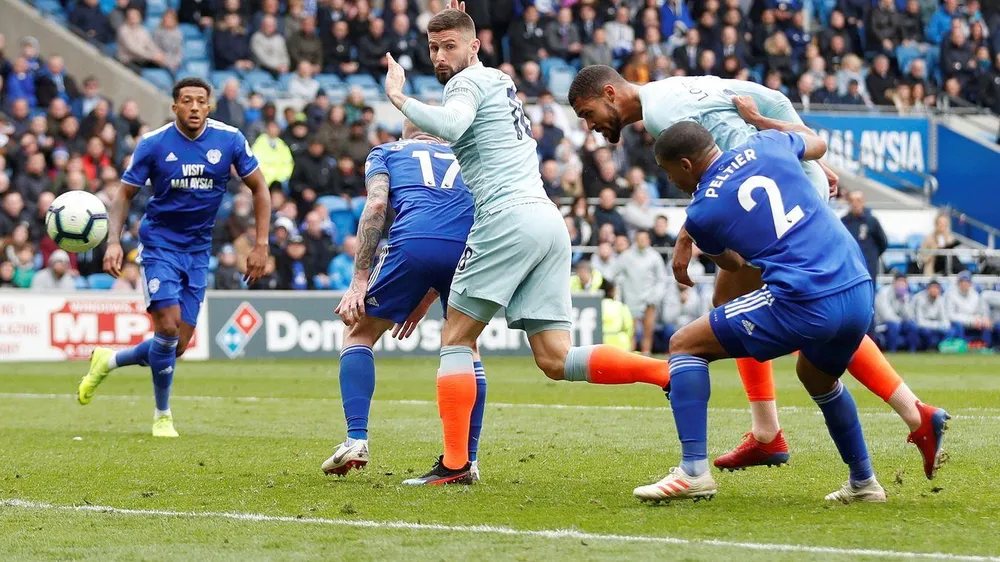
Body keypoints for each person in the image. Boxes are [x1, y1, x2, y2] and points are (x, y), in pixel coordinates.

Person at [568, 66, 948, 480]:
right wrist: (807, 158)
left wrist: (689, 232)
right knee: (753, 307)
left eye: (588, 113)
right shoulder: (671, 88)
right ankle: (783, 431)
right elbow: (768, 99)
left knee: (773, 313)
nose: (590, 126)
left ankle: (775, 436)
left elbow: (718, 170)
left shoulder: (664, 118)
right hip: (784, 178)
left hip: (770, 203)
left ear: (609, 92)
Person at [384, 5, 671, 486]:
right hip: (546, 220)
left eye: (449, 45)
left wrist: (397, 96)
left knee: (456, 339)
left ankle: (455, 465)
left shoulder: (466, 83)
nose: (439, 55)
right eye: (433, 47)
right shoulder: (498, 79)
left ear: (474, 46)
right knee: (554, 359)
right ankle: (666, 374)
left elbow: (451, 125)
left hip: (507, 217)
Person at [636, 121, 894, 503]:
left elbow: (736, 265)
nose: (671, 180)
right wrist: (762, 120)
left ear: (687, 165)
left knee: (684, 344)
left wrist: (692, 237)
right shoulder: (767, 143)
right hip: (857, 288)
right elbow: (818, 143)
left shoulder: (703, 210)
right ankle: (863, 483)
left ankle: (693, 471)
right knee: (816, 376)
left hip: (805, 298)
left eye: (669, 170)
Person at [77, 78, 271, 438]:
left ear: (209, 107)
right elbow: (123, 196)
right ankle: (162, 415)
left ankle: (110, 359)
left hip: (198, 251)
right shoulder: (153, 144)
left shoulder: (229, 139)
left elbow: (261, 189)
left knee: (177, 345)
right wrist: (115, 242)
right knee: (166, 326)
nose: (195, 107)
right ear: (175, 107)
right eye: (187, 101)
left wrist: (261, 244)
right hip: (159, 245)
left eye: (201, 101)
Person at [323, 121, 488, 481]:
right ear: (441, 133)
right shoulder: (466, 155)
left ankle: (356, 439)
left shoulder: (387, 151)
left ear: (404, 133)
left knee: (358, 332)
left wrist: (358, 283)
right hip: (470, 249)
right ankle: (467, 459)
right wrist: (429, 295)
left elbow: (377, 204)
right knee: (465, 346)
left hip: (412, 243)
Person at [616, 230, 667, 355]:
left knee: (648, 331)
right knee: (630, 330)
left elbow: (662, 279)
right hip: (630, 299)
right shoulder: (626, 256)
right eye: (639, 239)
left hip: (649, 300)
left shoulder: (655, 257)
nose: (642, 241)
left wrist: (655, 296)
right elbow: (614, 273)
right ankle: (629, 356)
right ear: (635, 240)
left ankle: (646, 354)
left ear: (649, 240)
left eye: (644, 239)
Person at [841, 190, 888, 282]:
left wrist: (872, 256)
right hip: (850, 267)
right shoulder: (844, 222)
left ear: (863, 202)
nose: (855, 204)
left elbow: (883, 243)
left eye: (858, 200)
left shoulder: (872, 221)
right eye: (852, 200)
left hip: (868, 267)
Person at [946, 271, 994, 348]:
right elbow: (951, 316)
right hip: (959, 323)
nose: (964, 284)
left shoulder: (975, 295)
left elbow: (981, 312)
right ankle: (963, 346)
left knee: (986, 323)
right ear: (958, 283)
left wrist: (981, 320)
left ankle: (985, 347)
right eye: (962, 281)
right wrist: (970, 321)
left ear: (970, 283)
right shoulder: (951, 295)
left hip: (975, 322)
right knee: (959, 326)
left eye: (967, 281)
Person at [875, 273, 919, 352]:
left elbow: (910, 316)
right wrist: (900, 321)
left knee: (912, 326)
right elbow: (886, 315)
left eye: (904, 282)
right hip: (882, 324)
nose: (901, 285)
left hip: (899, 322)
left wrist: (904, 302)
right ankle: (892, 350)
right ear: (894, 283)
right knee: (894, 325)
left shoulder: (906, 295)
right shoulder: (884, 293)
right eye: (899, 282)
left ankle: (912, 351)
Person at [914, 280, 953, 350]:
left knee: (950, 330)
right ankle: (926, 349)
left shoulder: (941, 300)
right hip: (924, 326)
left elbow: (945, 318)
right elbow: (920, 322)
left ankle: (942, 349)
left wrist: (945, 325)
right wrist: (937, 325)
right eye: (933, 288)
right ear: (928, 289)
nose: (935, 290)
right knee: (926, 331)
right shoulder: (920, 299)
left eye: (937, 288)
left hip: (936, 325)